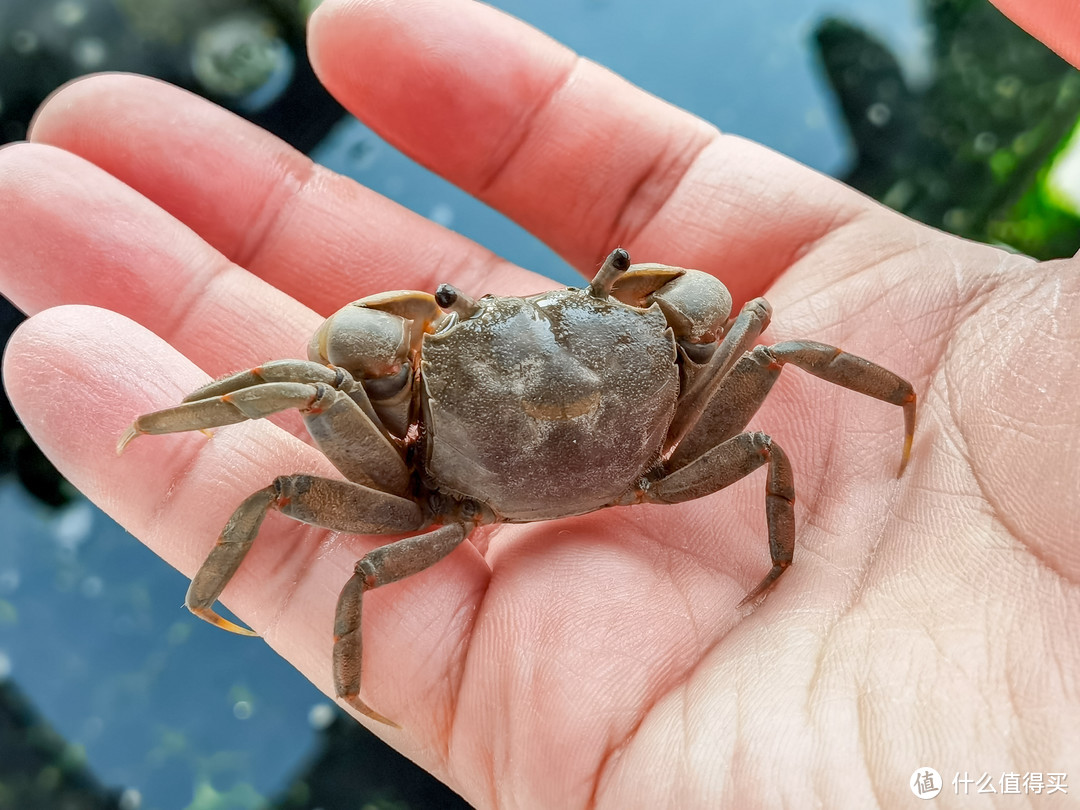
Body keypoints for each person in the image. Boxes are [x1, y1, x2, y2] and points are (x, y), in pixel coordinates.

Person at [1, 0, 1076, 806]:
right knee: (774, 347)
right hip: (653, 467)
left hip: (452, 506)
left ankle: (203, 543)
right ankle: (783, 567)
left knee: (301, 445)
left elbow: (324, 425)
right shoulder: (662, 343)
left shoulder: (424, 410)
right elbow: (749, 353)